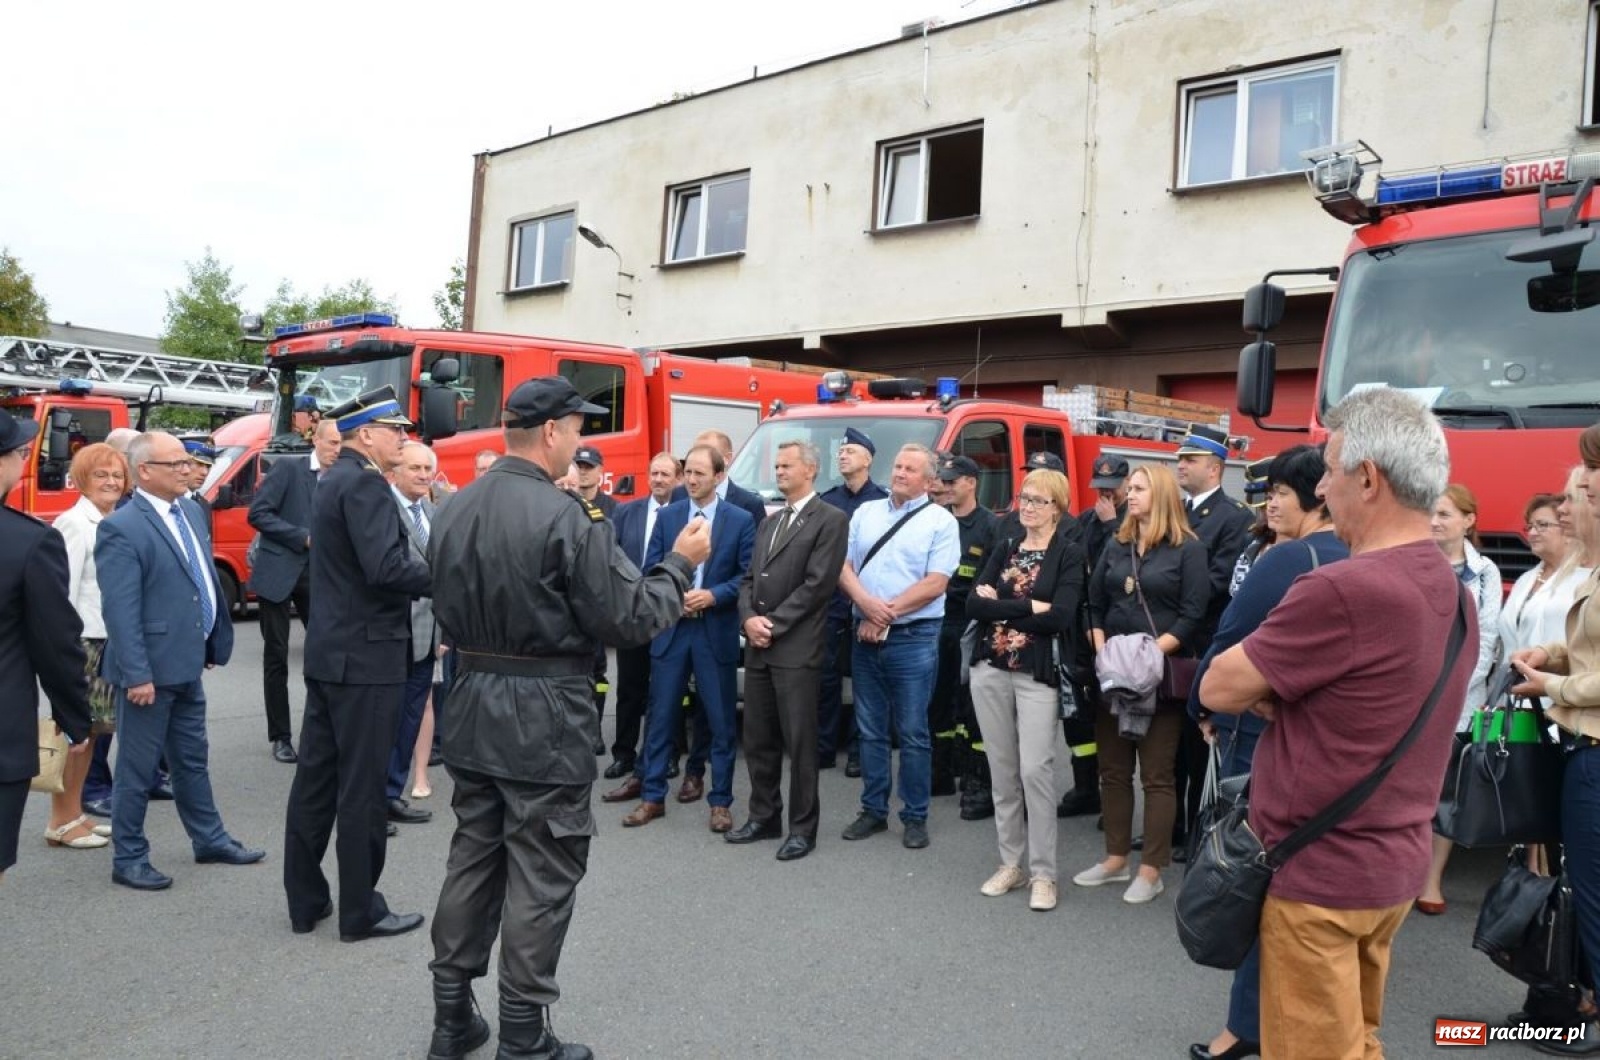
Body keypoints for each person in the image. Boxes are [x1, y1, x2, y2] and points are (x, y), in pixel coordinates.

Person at [425, 376, 710, 1060]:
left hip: (471, 702)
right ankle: (522, 1036)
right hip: (542, 713)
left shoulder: (454, 508)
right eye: (578, 430)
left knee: (474, 855)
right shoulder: (565, 518)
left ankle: (452, 1019)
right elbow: (631, 616)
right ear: (551, 432)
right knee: (543, 869)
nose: (582, 442)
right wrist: (678, 563)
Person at [1202, 385, 1473, 1059]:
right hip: (1392, 866)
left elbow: (1218, 684)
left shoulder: (1342, 587)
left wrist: (1280, 695)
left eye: (1327, 470)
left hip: (1319, 875)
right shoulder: (1453, 589)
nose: (1321, 487)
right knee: (1355, 1039)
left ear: (1368, 479)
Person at [1185, 444, 1346, 1060]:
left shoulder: (1291, 558)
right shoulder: (1365, 557)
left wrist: (1204, 705)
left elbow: (1229, 641)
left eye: (1281, 490)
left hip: (1260, 729)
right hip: (1334, 749)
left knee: (1256, 876)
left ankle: (1244, 1029)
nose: (1271, 501)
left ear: (1317, 493)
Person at [282, 385, 432, 943]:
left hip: (331, 654)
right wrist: (449, 576)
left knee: (315, 783)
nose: (403, 438)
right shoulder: (366, 484)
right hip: (368, 660)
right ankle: (359, 911)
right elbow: (388, 569)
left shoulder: (333, 479)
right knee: (363, 790)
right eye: (397, 430)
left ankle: (306, 901)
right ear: (367, 435)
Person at [97, 431, 263, 891]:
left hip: (187, 662)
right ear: (145, 471)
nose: (187, 470)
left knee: (192, 760)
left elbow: (198, 579)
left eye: (188, 462)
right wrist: (137, 674)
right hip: (148, 672)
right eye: (176, 464)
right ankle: (129, 857)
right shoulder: (121, 526)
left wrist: (209, 641)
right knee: (137, 768)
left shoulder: (190, 510)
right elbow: (121, 609)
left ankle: (209, 838)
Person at [1075, 463, 1208, 904]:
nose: (1128, 494)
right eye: (1128, 488)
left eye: (1138, 488)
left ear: (1163, 494)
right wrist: (1102, 651)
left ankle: (1151, 869)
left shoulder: (1188, 549)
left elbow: (1193, 614)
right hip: (1114, 672)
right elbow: (1093, 602)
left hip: (1158, 675)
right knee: (1112, 771)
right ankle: (1115, 859)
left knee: (1156, 775)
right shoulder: (1117, 543)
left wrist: (1150, 654)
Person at [966, 468, 1085, 912]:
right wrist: (1026, 606)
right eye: (1024, 499)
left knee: (1036, 770)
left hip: (1036, 674)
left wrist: (1001, 607)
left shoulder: (1069, 554)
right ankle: (1010, 864)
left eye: (1038, 500)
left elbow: (1060, 618)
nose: (1028, 507)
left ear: (1057, 507)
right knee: (1002, 769)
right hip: (990, 668)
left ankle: (1044, 874)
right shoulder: (1004, 547)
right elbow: (972, 605)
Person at [622, 443, 755, 832]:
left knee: (720, 721)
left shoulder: (740, 520)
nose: (692, 480)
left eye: (700, 473)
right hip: (673, 630)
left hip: (714, 632)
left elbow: (746, 576)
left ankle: (720, 802)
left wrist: (713, 595)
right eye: (689, 472)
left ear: (719, 476)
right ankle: (652, 797)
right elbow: (651, 567)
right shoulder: (670, 517)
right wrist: (674, 596)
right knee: (661, 716)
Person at [729, 440, 848, 860]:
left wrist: (772, 625)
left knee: (799, 744)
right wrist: (748, 620)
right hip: (760, 645)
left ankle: (803, 828)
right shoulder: (769, 521)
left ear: (810, 470)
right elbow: (747, 579)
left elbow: (817, 586)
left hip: (796, 649)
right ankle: (764, 817)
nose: (778, 472)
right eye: (776, 465)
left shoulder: (830, 520)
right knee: (758, 738)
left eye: (785, 465)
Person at [838, 443, 961, 850]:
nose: (899, 473)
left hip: (913, 638)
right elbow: (845, 567)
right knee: (870, 730)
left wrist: (881, 614)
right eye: (897, 466)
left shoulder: (941, 522)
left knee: (912, 732)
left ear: (929, 482)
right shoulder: (866, 513)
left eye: (910, 469)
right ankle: (873, 810)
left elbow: (936, 583)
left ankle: (915, 816)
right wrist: (866, 607)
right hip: (865, 635)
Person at [0, 409, 93, 880]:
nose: (23, 462)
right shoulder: (28, 542)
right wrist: (76, 719)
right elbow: (56, 645)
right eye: (18, 453)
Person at [1417, 482, 1502, 914]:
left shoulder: (1484, 572)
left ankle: (1431, 881)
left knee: (1445, 791)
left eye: (1445, 514)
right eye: (1431, 512)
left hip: (1459, 698)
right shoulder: (1410, 559)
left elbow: (1485, 641)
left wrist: (1454, 685)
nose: (1434, 521)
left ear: (1469, 521)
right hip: (1408, 694)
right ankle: (1400, 871)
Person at [1173, 423, 1254, 859]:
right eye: (1180, 459)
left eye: (1190, 459)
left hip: (1202, 640)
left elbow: (1220, 581)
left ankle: (1194, 829)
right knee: (1171, 747)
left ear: (1216, 467)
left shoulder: (1233, 517)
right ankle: (1169, 826)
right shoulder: (1178, 510)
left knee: (1198, 746)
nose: (1180, 466)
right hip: (1173, 641)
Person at [47, 443, 130, 851]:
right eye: (102, 474)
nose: (112, 481)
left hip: (106, 638)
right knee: (75, 735)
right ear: (81, 479)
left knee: (93, 734)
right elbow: (61, 594)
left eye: (117, 474)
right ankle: (60, 820)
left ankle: (76, 813)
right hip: (83, 642)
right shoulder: (75, 524)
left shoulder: (111, 519)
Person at [248, 417, 342, 764]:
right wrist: (301, 537)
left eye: (341, 443)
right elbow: (259, 514)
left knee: (324, 653)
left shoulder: (345, 477)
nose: (337, 450)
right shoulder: (289, 469)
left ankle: (321, 732)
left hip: (320, 577)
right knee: (277, 656)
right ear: (315, 440)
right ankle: (281, 736)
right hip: (279, 573)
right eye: (331, 443)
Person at [603, 452, 682, 796]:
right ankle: (624, 753)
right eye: (654, 473)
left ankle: (668, 754)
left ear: (677, 478)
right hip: (633, 614)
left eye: (666, 474)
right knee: (629, 689)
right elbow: (611, 556)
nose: (659, 480)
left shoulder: (683, 515)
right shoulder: (626, 512)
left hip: (669, 614)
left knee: (668, 689)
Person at [1056, 453, 1128, 820]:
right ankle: (1085, 788)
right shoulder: (1085, 520)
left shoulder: (1133, 519)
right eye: (1100, 488)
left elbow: (1119, 567)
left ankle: (1114, 797)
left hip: (1117, 629)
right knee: (1078, 714)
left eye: (1112, 488)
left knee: (1113, 717)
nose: (1105, 494)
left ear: (1126, 485)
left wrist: (1112, 525)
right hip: (1080, 627)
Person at [818, 426, 888, 775]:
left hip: (865, 601)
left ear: (868, 459)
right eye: (840, 451)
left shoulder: (883, 501)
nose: (842, 455)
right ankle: (824, 746)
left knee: (865, 679)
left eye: (851, 451)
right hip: (831, 603)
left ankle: (860, 748)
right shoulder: (828, 500)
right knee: (827, 677)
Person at [928, 454, 999, 799]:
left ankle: (974, 777)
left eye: (952, 481)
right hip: (938, 619)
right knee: (938, 699)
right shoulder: (937, 520)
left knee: (972, 704)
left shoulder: (989, 526)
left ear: (971, 482)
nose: (945, 486)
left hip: (971, 623)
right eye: (943, 481)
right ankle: (939, 773)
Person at [382, 440, 439, 827]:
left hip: (429, 636)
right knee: (382, 724)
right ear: (394, 473)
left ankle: (391, 794)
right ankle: (372, 801)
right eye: (414, 468)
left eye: (427, 469)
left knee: (409, 722)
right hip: (391, 636)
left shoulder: (435, 510)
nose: (422, 475)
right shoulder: (382, 511)